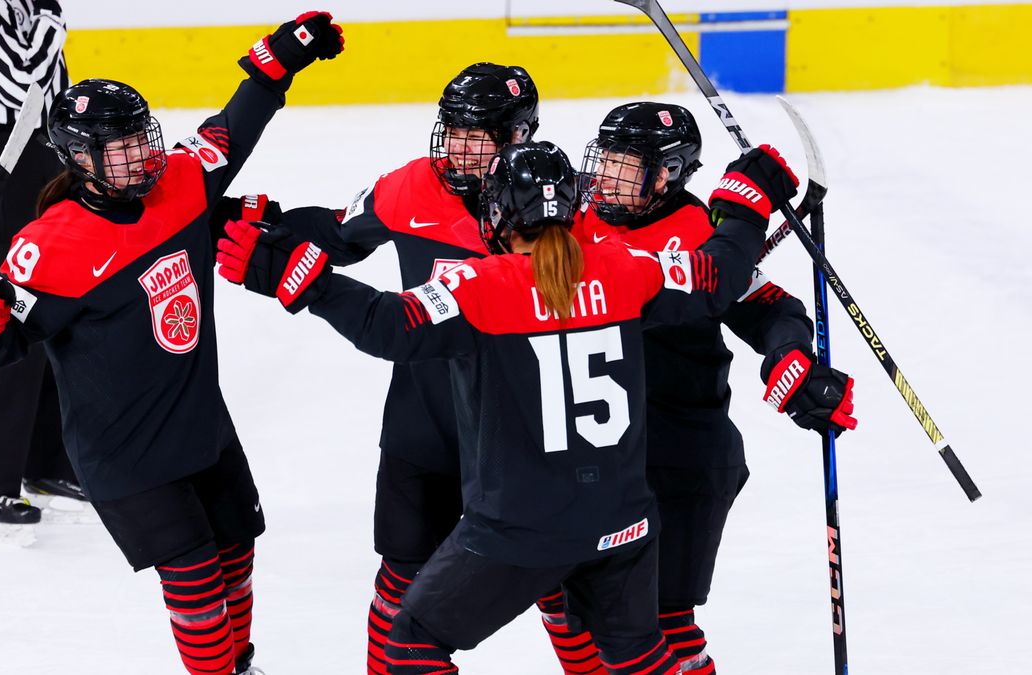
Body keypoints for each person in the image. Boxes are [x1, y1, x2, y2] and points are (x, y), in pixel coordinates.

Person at [217, 140, 853, 673]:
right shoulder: (627, 271)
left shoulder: (483, 285)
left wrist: (296, 276)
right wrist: (744, 203)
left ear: (497, 217)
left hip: (525, 530)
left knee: (409, 645)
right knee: (640, 654)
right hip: (626, 523)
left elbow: (391, 327)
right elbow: (718, 277)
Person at [0, 12, 345, 674]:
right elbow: (3, 343)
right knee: (194, 578)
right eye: (123, 148)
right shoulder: (48, 244)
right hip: (124, 452)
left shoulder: (182, 183)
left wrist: (277, 61)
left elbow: (234, 129)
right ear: (82, 161)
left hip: (201, 425)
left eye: (144, 139)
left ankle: (237, 663)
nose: (143, 155)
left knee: (236, 552)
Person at [214, 61, 542, 674]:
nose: (462, 150)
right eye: (456, 131)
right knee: (401, 580)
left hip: (520, 432)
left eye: (482, 136)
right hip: (425, 423)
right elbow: (339, 233)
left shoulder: (549, 204)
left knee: (563, 592)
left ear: (520, 137)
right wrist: (245, 217)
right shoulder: (412, 185)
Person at [570, 102, 858, 673]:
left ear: (666, 173)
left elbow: (770, 308)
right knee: (574, 605)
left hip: (681, 456)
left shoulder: (699, 232)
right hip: (595, 454)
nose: (604, 174)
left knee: (662, 620)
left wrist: (790, 356)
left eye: (624, 164)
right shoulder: (576, 215)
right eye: (604, 157)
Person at [0, 0, 82, 526]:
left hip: (44, 163)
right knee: (1, 316)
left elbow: (55, 101)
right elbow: (19, 91)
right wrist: (50, 25)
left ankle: (43, 464)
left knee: (48, 316)